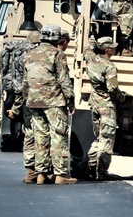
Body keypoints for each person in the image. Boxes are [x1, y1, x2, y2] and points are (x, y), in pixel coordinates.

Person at [23, 23, 76, 185]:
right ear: (56, 38)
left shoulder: (29, 54)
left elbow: (25, 82)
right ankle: (60, 175)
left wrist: (28, 99)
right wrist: (70, 100)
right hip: (54, 101)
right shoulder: (57, 54)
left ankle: (41, 174)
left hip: (34, 101)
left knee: (40, 137)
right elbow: (64, 80)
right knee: (58, 135)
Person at [85, 36, 125, 181]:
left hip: (95, 102)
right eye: (113, 47)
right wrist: (121, 97)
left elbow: (86, 51)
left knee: (99, 137)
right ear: (107, 50)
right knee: (107, 139)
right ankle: (101, 171)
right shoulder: (109, 66)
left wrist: (90, 41)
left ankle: (89, 164)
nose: (115, 48)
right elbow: (113, 88)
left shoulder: (91, 60)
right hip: (107, 105)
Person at [7, 30, 41, 184]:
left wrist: (15, 108)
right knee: (42, 135)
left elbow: (20, 87)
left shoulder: (21, 58)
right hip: (41, 102)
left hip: (27, 102)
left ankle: (31, 172)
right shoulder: (39, 57)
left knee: (29, 135)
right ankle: (43, 172)